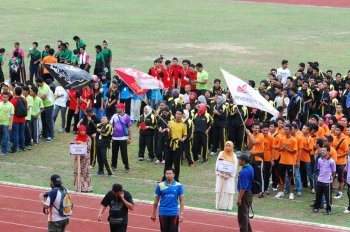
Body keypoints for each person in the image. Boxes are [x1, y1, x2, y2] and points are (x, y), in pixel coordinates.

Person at [274, 124, 298, 200]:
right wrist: (282, 148)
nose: (285, 131)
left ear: (290, 130)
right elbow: (279, 149)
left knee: (291, 178)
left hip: (290, 162)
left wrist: (286, 148)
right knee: (281, 177)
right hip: (282, 161)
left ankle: (291, 193)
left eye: (287, 129)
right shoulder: (282, 139)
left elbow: (294, 151)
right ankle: (281, 192)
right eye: (284, 129)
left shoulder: (294, 140)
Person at [163, 109, 187, 181]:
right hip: (170, 144)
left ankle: (176, 179)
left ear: (182, 115)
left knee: (177, 163)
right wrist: (169, 130)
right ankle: (165, 178)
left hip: (178, 145)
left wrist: (183, 139)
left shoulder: (184, 125)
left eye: (179, 114)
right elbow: (169, 135)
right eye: (177, 113)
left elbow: (185, 135)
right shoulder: (170, 122)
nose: (178, 115)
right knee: (167, 162)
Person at [312, 145, 336, 215]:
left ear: (328, 152)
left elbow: (334, 172)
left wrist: (331, 178)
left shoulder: (332, 161)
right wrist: (319, 176)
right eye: (321, 150)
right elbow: (319, 169)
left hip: (327, 182)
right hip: (320, 180)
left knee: (328, 197)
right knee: (318, 195)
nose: (322, 151)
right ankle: (316, 207)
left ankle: (328, 210)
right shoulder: (319, 160)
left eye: (323, 150)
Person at [215, 141, 238, 210]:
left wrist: (229, 175)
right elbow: (217, 164)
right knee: (219, 189)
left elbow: (235, 166)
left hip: (229, 177)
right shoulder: (221, 153)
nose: (228, 147)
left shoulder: (234, 155)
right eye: (226, 146)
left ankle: (228, 207)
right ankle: (218, 206)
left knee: (228, 190)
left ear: (232, 147)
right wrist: (220, 173)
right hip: (220, 176)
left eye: (229, 146)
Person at [110, 103, 132, 173]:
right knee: (114, 153)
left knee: (124, 153)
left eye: (119, 108)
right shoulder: (114, 116)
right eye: (117, 107)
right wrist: (110, 136)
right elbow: (111, 126)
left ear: (123, 108)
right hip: (115, 138)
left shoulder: (127, 117)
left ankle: (126, 166)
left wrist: (130, 138)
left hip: (123, 138)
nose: (117, 109)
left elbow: (130, 128)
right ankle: (114, 166)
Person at [237, 154, 254, 232]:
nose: (238, 160)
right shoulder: (250, 167)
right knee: (245, 215)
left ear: (243, 161)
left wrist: (239, 198)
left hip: (245, 195)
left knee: (242, 217)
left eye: (239, 159)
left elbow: (243, 187)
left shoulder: (244, 172)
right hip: (249, 193)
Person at [73, 125, 92, 192]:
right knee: (77, 171)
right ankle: (77, 187)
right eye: (81, 130)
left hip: (85, 159)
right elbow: (73, 146)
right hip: (77, 158)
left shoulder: (88, 138)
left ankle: (86, 187)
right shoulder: (76, 137)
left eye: (84, 130)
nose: (82, 132)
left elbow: (89, 147)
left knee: (85, 172)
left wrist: (81, 143)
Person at [37, 77, 55, 142]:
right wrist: (40, 96)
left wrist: (40, 96)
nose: (37, 85)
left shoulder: (46, 87)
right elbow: (39, 95)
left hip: (49, 106)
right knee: (43, 120)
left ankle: (51, 135)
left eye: (37, 83)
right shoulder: (39, 87)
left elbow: (43, 97)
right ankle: (45, 134)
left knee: (48, 121)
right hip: (43, 106)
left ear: (39, 82)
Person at [10, 87, 27, 153]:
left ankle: (14, 149)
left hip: (15, 119)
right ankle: (22, 147)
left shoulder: (13, 100)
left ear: (15, 92)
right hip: (22, 119)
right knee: (22, 134)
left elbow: (11, 111)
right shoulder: (24, 100)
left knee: (15, 134)